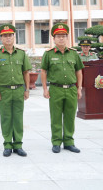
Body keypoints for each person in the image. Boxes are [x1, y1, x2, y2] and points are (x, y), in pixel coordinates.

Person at [0, 24, 31, 157]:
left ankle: (18, 145)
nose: (8, 38)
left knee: (18, 118)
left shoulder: (21, 53)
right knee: (6, 118)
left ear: (14, 37)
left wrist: (27, 89)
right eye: (5, 36)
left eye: (10, 35)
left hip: (18, 90)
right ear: (1, 38)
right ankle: (7, 144)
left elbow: (26, 72)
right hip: (4, 90)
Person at [41, 23, 84, 154]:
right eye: (58, 36)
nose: (61, 38)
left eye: (64, 36)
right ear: (54, 38)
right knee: (56, 117)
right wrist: (44, 89)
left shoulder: (74, 54)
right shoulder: (48, 54)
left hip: (71, 89)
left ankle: (69, 142)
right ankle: (56, 142)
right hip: (55, 89)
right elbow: (43, 72)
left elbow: (79, 71)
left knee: (70, 117)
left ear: (67, 37)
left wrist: (79, 88)